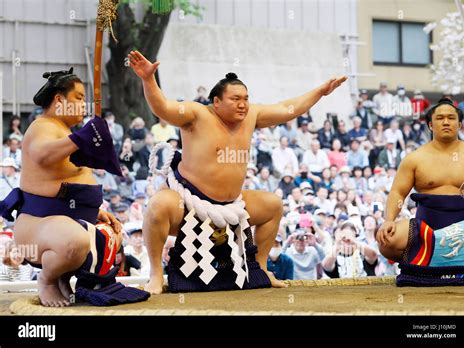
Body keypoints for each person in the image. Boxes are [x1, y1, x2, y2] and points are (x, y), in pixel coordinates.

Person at [128, 50, 346, 293]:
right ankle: (156, 275)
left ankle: (261, 268)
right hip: (187, 205)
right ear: (216, 102)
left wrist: (320, 92)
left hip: (232, 207)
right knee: (157, 204)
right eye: (235, 99)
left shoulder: (252, 115)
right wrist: (148, 79)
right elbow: (163, 108)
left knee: (273, 205)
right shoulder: (196, 115)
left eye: (246, 98)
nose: (243, 104)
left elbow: (288, 109)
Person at [0, 68, 123, 306]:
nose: (83, 104)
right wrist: (80, 138)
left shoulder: (64, 131)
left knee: (111, 234)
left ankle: (63, 278)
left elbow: (62, 181)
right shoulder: (42, 126)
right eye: (78, 97)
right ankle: (47, 279)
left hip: (60, 220)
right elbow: (42, 155)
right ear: (59, 99)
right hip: (37, 225)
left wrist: (95, 212)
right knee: (74, 241)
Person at [377, 98, 464, 270]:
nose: (446, 122)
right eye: (440, 118)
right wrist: (389, 220)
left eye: (451, 118)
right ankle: (430, 254)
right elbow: (398, 193)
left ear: (460, 125)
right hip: (427, 229)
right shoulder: (415, 158)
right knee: (388, 241)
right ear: (430, 125)